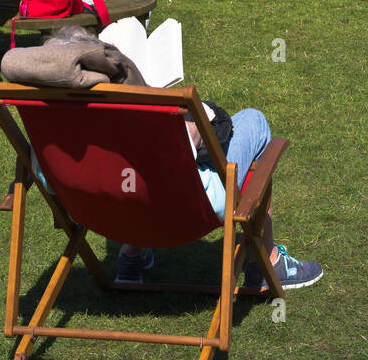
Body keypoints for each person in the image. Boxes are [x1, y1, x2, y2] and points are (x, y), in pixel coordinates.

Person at [115, 105, 322, 289]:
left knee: (138, 153)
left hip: (127, 199)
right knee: (253, 120)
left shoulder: (91, 115)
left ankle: (132, 254)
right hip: (195, 203)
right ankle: (268, 263)